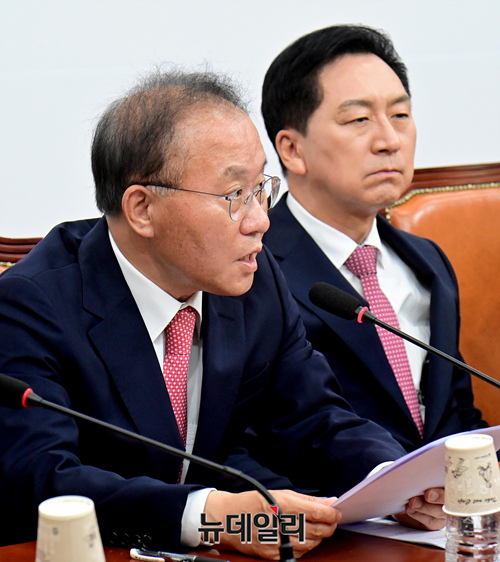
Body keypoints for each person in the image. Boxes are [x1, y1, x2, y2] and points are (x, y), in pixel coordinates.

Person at [0, 69, 444, 559]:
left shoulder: (254, 280)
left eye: (261, 189)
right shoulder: (30, 304)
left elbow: (313, 417)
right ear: (142, 208)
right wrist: (212, 518)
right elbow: (39, 478)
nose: (260, 220)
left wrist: (394, 482)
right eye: (234, 196)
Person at [261, 24, 487, 455]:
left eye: (400, 115)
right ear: (291, 149)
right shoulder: (251, 268)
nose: (389, 141)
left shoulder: (427, 261)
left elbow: (456, 415)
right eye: (358, 120)